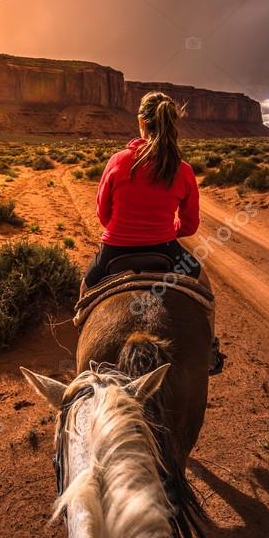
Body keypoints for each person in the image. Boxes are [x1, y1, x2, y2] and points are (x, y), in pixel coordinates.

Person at [81, 90, 224, 373]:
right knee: (205, 289)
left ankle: (84, 349)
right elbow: (190, 226)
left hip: (114, 252)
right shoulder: (182, 169)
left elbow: (103, 215)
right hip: (166, 251)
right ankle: (210, 351)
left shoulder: (118, 160)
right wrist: (165, 229)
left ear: (142, 123)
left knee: (85, 291)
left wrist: (125, 228)